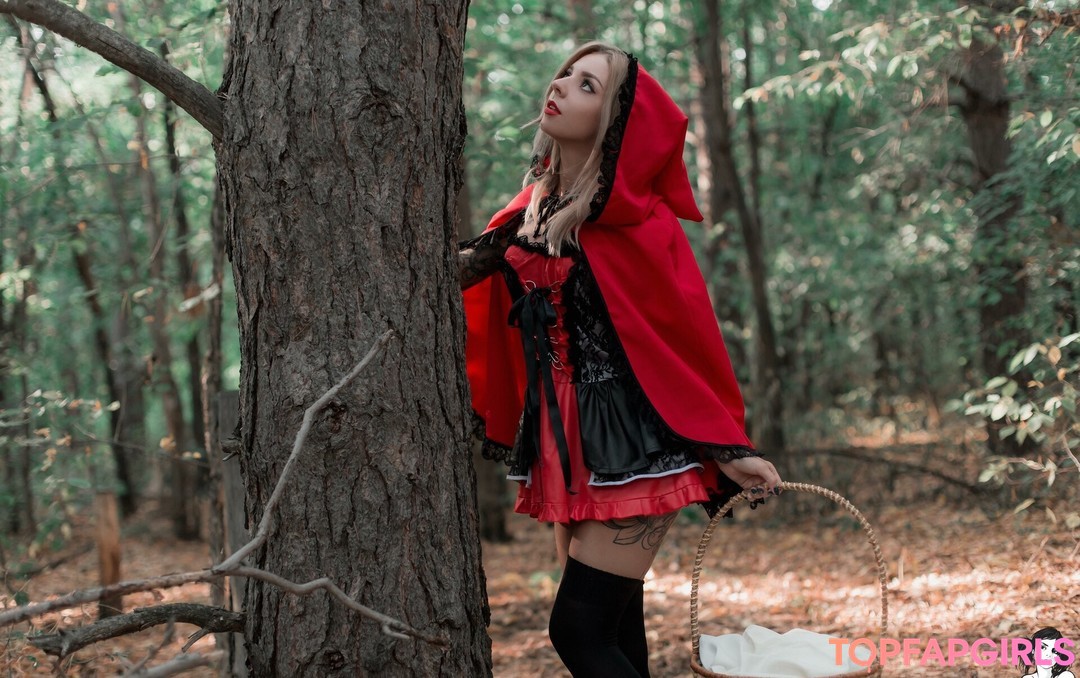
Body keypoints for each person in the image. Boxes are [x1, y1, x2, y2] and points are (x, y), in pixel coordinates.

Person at [459, 41, 782, 677]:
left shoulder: (641, 223)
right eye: (566, 74)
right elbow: (466, 277)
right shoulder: (531, 211)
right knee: (615, 627)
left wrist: (726, 444)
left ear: (615, 121)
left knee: (577, 630)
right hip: (564, 438)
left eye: (588, 85)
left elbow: (678, 343)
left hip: (636, 443)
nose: (560, 85)